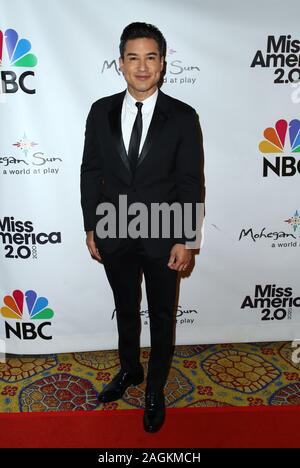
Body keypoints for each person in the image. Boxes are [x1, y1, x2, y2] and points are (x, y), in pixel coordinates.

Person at [80, 22, 205, 433]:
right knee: (127, 310)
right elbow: (91, 171)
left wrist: (187, 238)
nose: (142, 66)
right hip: (114, 230)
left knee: (163, 315)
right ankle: (130, 370)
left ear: (163, 63)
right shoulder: (100, 111)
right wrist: (92, 225)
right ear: (120, 63)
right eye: (133, 57)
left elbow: (190, 182)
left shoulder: (184, 117)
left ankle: (154, 389)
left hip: (163, 233)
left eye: (151, 57)